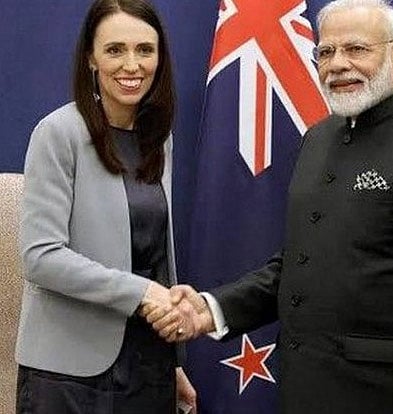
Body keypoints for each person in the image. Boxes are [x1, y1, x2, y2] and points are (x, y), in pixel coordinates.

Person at [149, 0, 393, 412]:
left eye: (356, 49)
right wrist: (212, 310)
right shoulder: (318, 139)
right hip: (303, 394)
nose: (338, 64)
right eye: (326, 52)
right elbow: (299, 266)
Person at [15, 0, 202, 412]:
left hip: (149, 361)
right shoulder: (58, 132)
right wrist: (143, 292)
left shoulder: (158, 137)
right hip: (70, 374)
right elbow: (41, 258)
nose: (131, 65)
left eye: (145, 50)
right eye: (115, 50)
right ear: (91, 58)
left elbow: (157, 255)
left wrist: (172, 361)